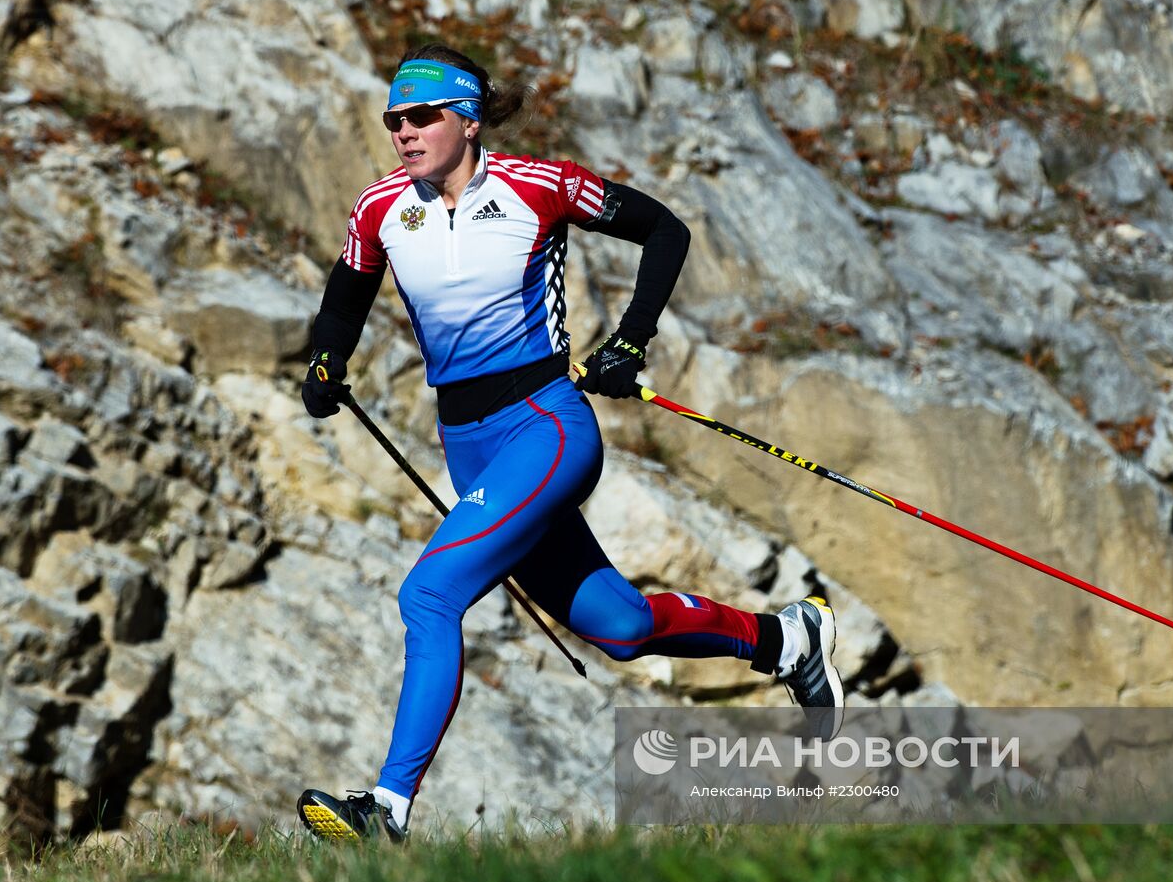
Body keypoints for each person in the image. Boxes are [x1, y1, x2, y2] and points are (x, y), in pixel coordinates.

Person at [295, 44, 843, 842]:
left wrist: (630, 340)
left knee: (430, 594)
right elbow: (345, 297)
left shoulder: (536, 187)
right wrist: (325, 360)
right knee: (619, 628)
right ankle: (786, 639)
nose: (404, 132)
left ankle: (387, 809)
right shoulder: (380, 208)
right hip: (467, 445)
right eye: (394, 120)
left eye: (421, 117)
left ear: (468, 119)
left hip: (545, 426)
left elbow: (665, 230)